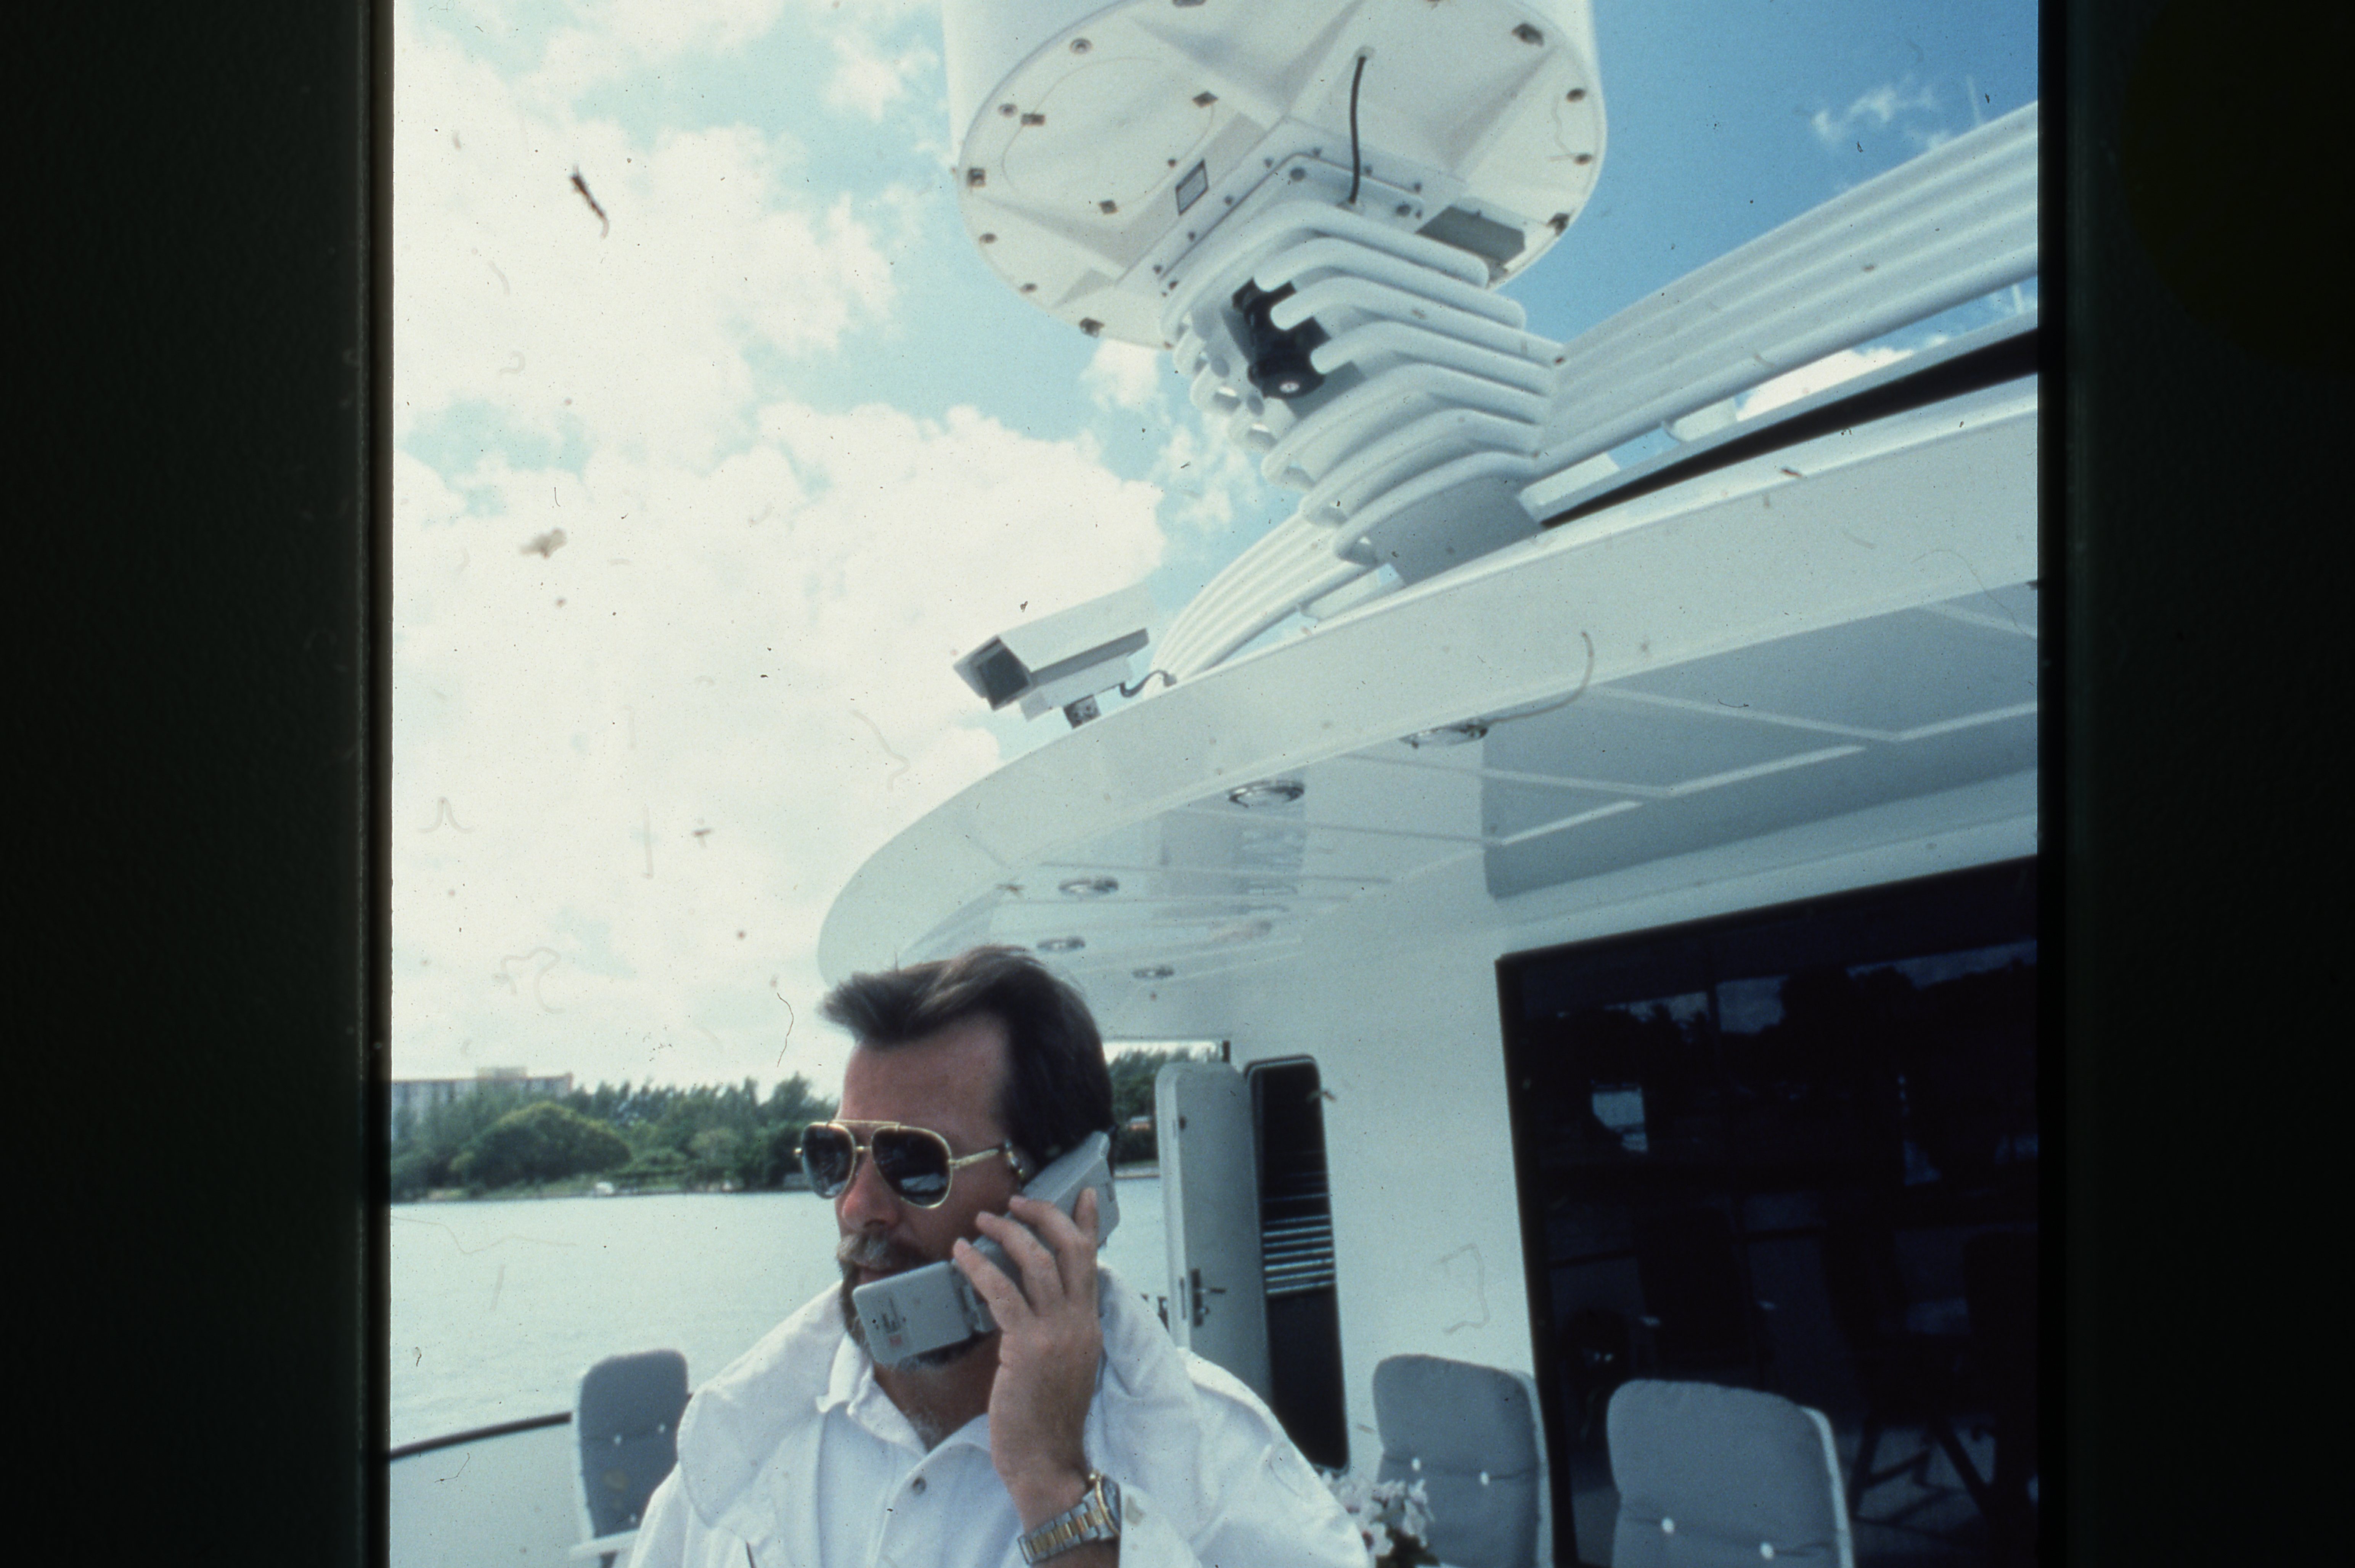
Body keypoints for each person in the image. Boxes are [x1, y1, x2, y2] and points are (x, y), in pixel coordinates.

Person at [628, 946, 1366, 1567]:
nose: (857, 1206)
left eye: (914, 1162)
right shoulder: (742, 1436)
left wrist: (1055, 1488)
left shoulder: (1218, 1458)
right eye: (836, 1154)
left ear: (1061, 1188)